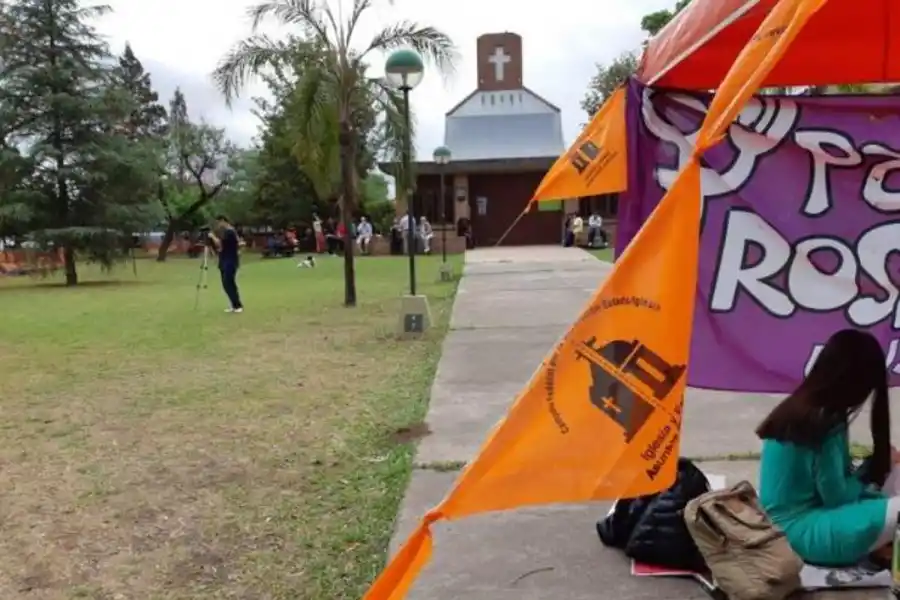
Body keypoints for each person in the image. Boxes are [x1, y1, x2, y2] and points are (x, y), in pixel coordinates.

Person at [757, 329, 898, 567]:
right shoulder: (824, 422)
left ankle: (883, 543)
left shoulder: (802, 408)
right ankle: (882, 544)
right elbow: (837, 497)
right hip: (803, 531)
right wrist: (871, 479)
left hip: (786, 529)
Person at [209, 215, 244, 313]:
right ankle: (233, 304)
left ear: (224, 221)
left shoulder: (229, 232)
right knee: (225, 284)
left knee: (229, 282)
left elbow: (220, 244)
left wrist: (212, 237)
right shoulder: (225, 232)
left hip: (230, 260)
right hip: (224, 259)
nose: (218, 225)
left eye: (219, 222)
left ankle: (237, 305)